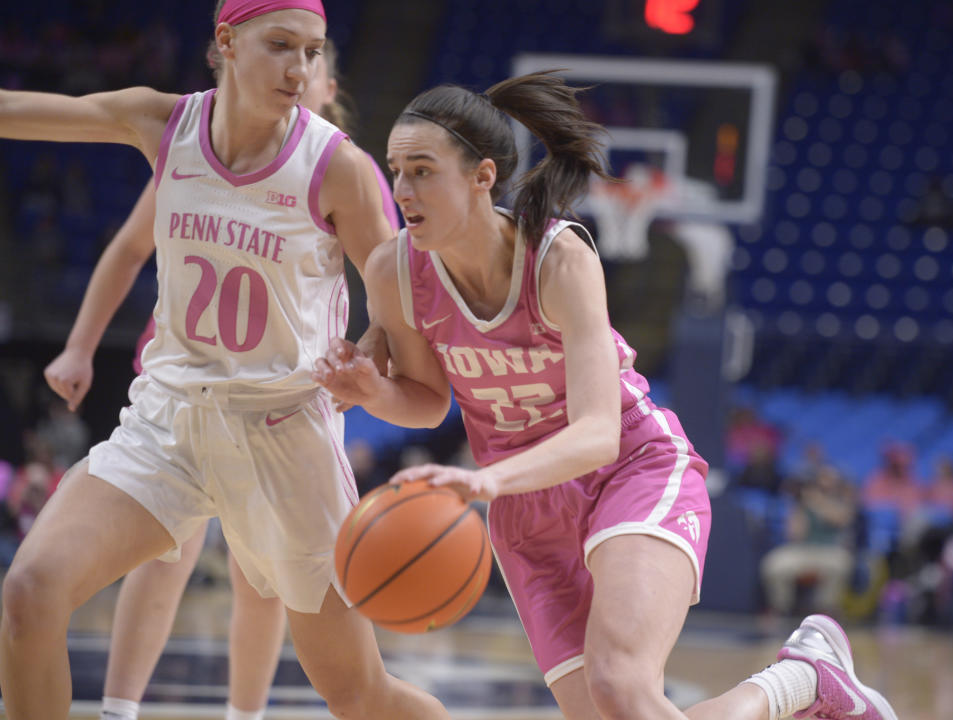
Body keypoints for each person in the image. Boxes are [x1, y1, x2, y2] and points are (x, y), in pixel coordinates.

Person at [314, 72, 900, 720]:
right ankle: (803, 679)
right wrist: (372, 391)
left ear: (482, 177)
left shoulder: (558, 258)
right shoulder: (393, 269)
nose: (402, 191)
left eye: (422, 171)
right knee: (617, 711)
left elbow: (599, 433)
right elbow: (426, 399)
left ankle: (806, 679)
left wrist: (482, 482)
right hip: (527, 512)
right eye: (396, 171)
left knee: (621, 683)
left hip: (630, 469)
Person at [0, 2, 449, 719]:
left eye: (312, 51)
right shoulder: (163, 123)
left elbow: (415, 356)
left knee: (358, 694)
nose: (300, 70)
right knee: (29, 592)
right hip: (170, 420)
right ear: (226, 42)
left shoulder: (340, 170)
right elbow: (20, 107)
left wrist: (364, 378)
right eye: (281, 47)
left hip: (285, 435)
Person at [761, 466, 857, 616]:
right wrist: (800, 506)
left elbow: (841, 519)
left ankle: (826, 611)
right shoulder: (805, 500)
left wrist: (817, 502)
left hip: (830, 551)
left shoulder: (842, 498)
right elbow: (794, 534)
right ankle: (780, 609)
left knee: (841, 564)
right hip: (804, 550)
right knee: (774, 564)